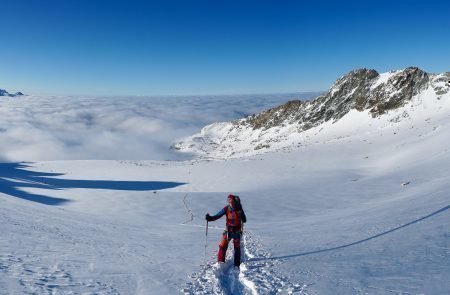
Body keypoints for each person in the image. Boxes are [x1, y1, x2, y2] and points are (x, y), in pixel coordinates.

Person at [205, 194, 247, 268]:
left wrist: (242, 215)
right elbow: (217, 216)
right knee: (222, 246)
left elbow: (244, 220)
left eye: (231, 200)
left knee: (236, 248)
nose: (229, 202)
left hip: (236, 231)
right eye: (228, 200)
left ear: (234, 201)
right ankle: (220, 263)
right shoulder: (226, 209)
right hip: (228, 231)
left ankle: (237, 265)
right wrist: (210, 218)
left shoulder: (239, 209)